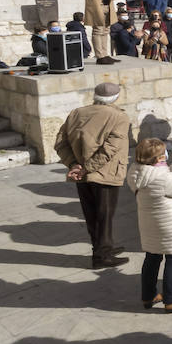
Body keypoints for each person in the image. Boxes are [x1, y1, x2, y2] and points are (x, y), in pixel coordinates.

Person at [53, 82, 132, 268]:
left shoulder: (76, 113)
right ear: (115, 98)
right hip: (105, 173)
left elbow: (60, 143)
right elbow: (110, 149)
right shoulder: (119, 117)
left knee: (92, 214)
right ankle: (102, 256)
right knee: (104, 215)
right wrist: (86, 168)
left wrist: (74, 165)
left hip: (82, 173)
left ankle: (104, 247)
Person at [128, 137, 172, 312]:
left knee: (152, 258)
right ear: (158, 159)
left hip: (150, 223)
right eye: (162, 154)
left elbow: (162, 176)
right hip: (169, 224)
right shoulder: (163, 177)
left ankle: (149, 295)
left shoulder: (136, 171)